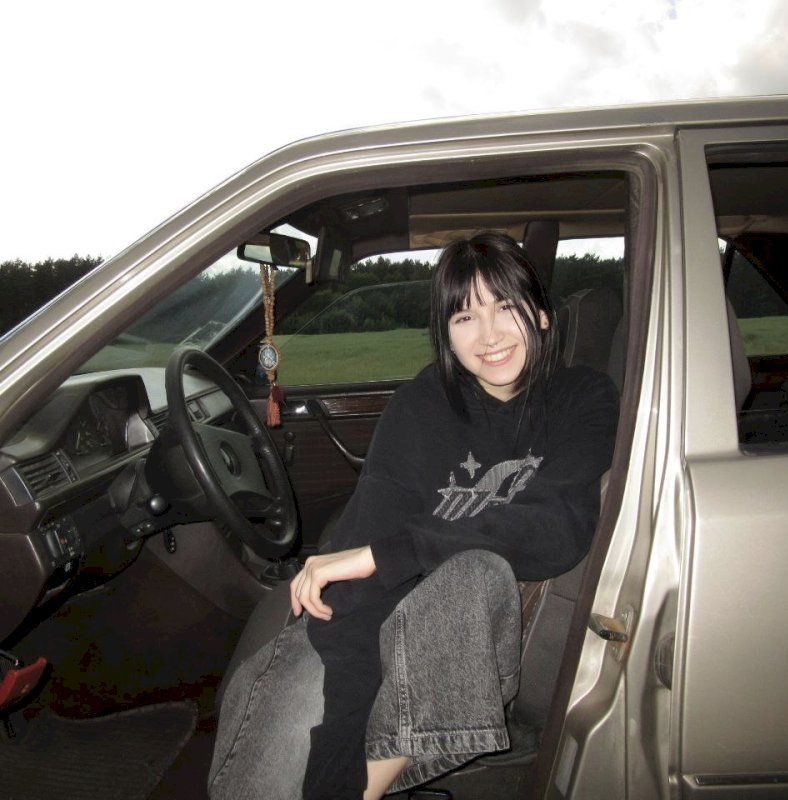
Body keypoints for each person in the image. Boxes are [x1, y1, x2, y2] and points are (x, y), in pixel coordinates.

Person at [209, 232, 619, 800]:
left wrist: (390, 554)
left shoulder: (584, 397)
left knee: (476, 571)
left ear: (543, 315)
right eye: (465, 316)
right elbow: (360, 584)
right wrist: (337, 742)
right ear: (445, 334)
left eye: (506, 307)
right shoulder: (421, 406)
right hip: (375, 613)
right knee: (276, 725)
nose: (490, 335)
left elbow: (557, 527)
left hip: (475, 642)